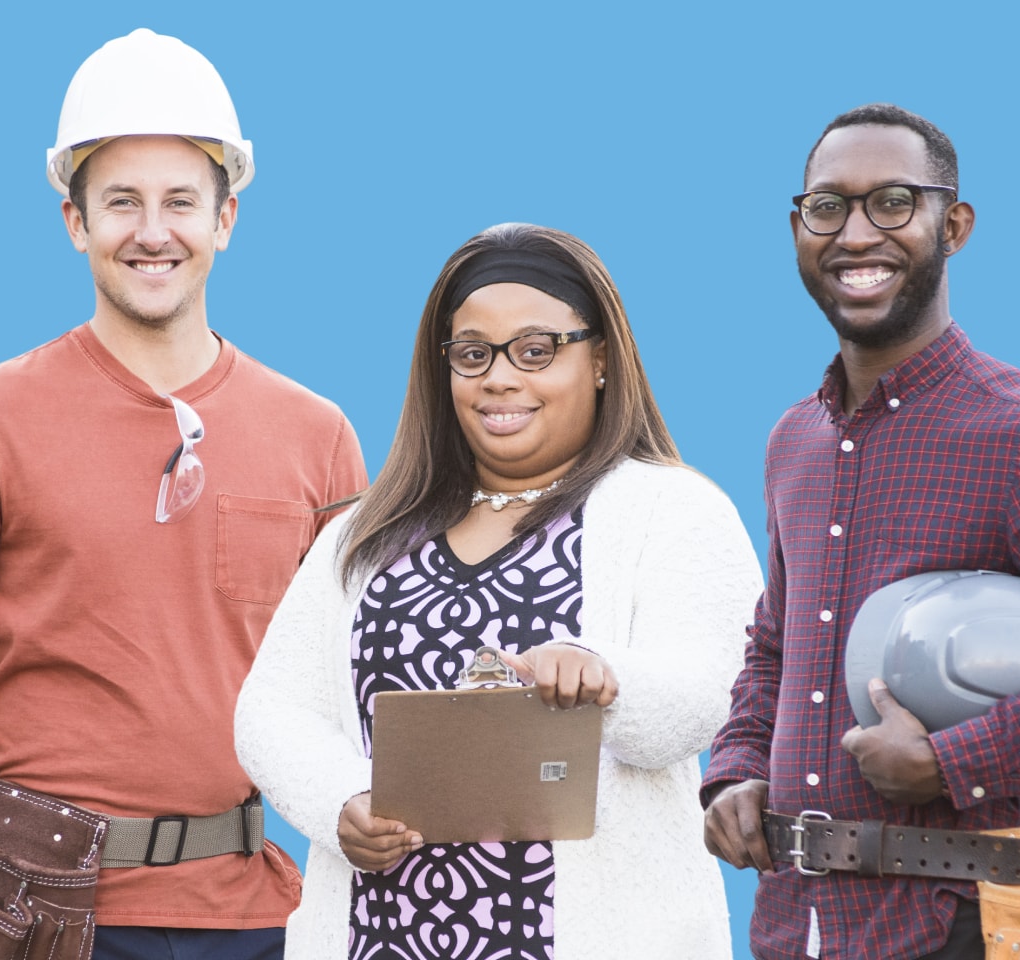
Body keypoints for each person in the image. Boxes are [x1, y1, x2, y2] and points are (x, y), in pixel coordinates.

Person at [0, 29, 366, 960]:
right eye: (121, 202)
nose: (152, 232)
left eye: (180, 202)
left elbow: (356, 692)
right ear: (76, 221)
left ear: (227, 216)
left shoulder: (316, 437)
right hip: (32, 916)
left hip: (256, 918)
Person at [701, 103, 1020, 960]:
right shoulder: (796, 441)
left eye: (893, 202)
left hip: (968, 926)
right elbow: (778, 646)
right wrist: (737, 767)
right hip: (798, 926)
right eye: (829, 207)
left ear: (953, 225)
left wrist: (957, 761)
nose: (857, 233)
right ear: (797, 229)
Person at [235, 222, 764, 959]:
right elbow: (273, 707)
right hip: (379, 939)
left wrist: (607, 679)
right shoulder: (367, 532)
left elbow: (719, 694)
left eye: (537, 350)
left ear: (602, 358)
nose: (500, 378)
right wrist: (342, 804)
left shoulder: (672, 511)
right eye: (474, 354)